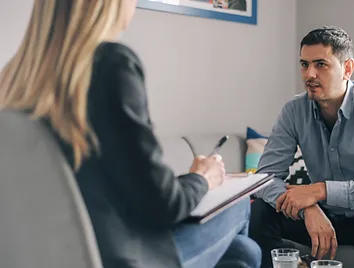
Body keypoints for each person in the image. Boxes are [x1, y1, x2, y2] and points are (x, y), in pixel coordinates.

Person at [0, 1, 261, 268]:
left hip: (61, 256)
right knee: (239, 204)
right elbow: (163, 204)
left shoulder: (15, 81)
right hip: (122, 258)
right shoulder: (109, 66)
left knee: (244, 253)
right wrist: (203, 177)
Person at [248, 26, 354, 268]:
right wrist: (308, 207)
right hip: (328, 215)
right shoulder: (293, 111)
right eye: (304, 64)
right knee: (260, 214)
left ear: (347, 69)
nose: (309, 74)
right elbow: (265, 178)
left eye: (321, 64)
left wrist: (320, 191)